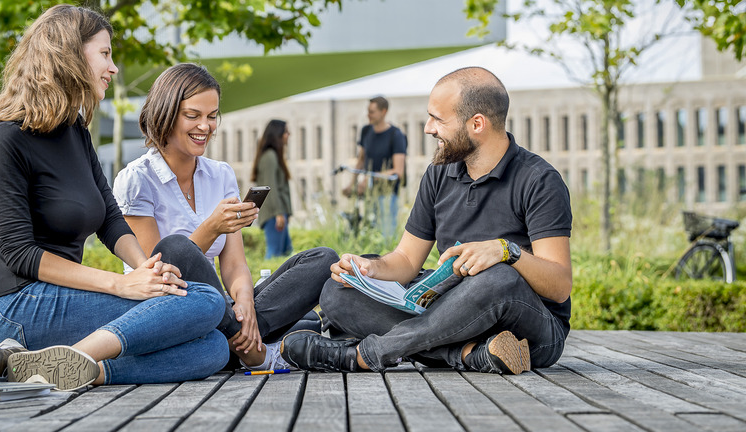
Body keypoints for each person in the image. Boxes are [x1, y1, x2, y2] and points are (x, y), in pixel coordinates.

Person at [0, 5, 229, 391]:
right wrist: (119, 284)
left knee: (213, 348)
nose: (112, 68)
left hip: (65, 299)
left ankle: (72, 367)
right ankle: (71, 355)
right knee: (206, 301)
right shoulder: (6, 137)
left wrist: (146, 272)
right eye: (105, 54)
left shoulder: (75, 129)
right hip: (16, 306)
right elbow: (19, 253)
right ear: (70, 54)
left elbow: (111, 219)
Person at [281, 67, 573, 375]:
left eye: (438, 119)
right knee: (336, 291)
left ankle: (366, 355)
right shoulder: (440, 172)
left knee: (498, 278)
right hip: (451, 317)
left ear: (476, 124)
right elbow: (407, 258)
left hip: (532, 332)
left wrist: (506, 252)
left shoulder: (538, 179)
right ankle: (469, 355)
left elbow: (559, 286)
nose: (427, 128)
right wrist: (368, 270)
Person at [113, 64, 337, 372]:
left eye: (212, 116)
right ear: (165, 113)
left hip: (221, 310)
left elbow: (233, 264)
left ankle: (240, 337)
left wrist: (244, 302)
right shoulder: (137, 179)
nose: (205, 126)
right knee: (176, 248)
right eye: (193, 115)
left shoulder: (220, 174)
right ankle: (255, 353)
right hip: (172, 311)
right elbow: (158, 276)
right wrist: (210, 228)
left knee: (323, 259)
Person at [343, 96, 407, 238]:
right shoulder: (366, 131)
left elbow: (398, 171)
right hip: (368, 194)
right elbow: (361, 160)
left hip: (387, 194)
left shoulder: (396, 135)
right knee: (369, 233)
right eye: (368, 111)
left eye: (372, 112)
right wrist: (352, 184)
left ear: (383, 111)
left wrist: (371, 179)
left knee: (386, 235)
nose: (368, 115)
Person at [251, 120, 293, 259]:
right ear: (278, 134)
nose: (289, 135)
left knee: (286, 252)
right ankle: (267, 281)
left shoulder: (274, 156)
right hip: (273, 214)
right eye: (286, 132)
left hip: (278, 213)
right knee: (274, 254)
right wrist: (279, 213)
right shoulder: (270, 157)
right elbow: (271, 187)